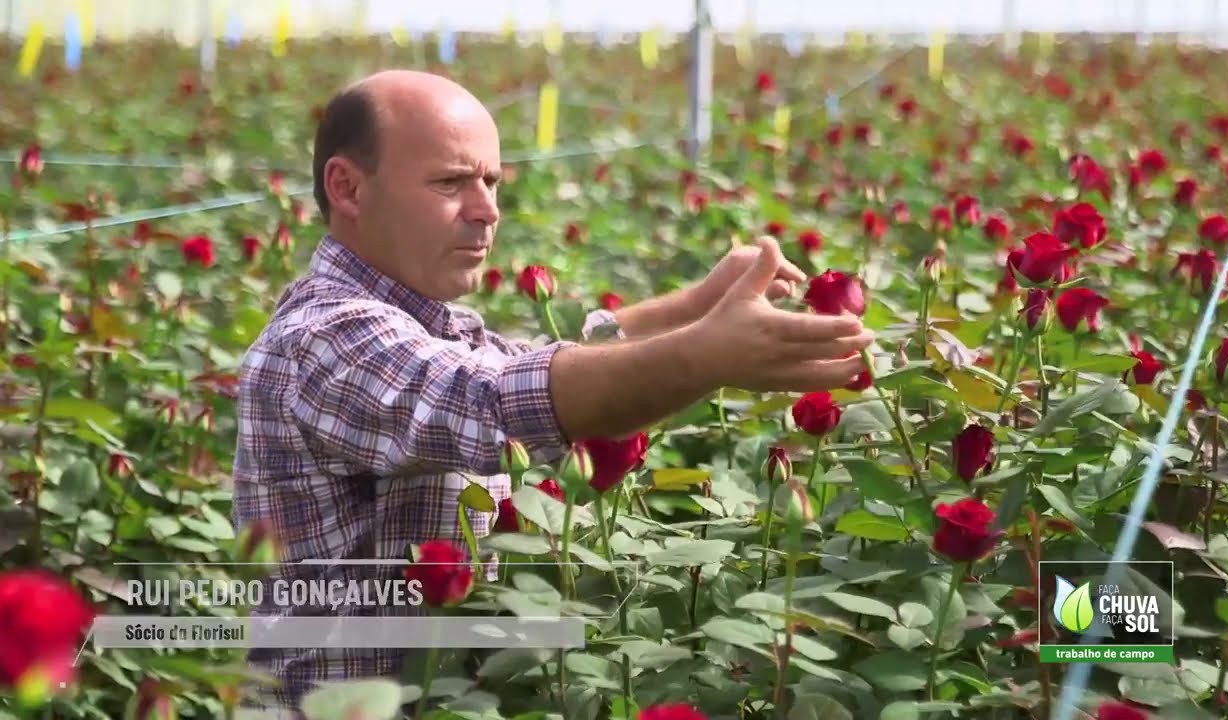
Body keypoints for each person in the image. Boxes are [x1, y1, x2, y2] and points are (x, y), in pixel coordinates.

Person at [231, 69, 874, 715]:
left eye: (491, 182)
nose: (487, 210)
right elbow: (487, 400)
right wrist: (708, 354)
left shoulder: (420, 321)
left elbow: (529, 362)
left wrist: (698, 306)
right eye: (450, 182)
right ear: (348, 187)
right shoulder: (324, 337)